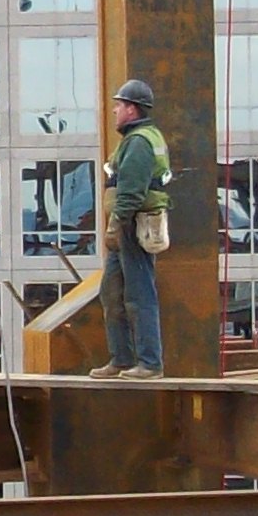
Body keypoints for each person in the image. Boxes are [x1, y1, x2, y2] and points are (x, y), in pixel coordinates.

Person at [93, 79, 170, 380]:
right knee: (112, 293)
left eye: (120, 105)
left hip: (132, 225)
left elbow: (132, 190)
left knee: (139, 295)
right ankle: (121, 359)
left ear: (132, 109)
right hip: (126, 225)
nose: (114, 110)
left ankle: (150, 363)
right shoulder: (134, 139)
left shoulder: (139, 142)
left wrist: (115, 224)